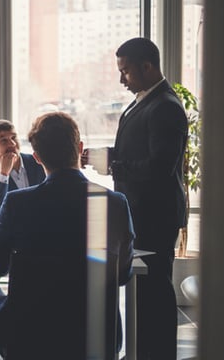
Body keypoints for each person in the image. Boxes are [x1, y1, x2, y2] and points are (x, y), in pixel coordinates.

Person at [0, 112, 135, 355]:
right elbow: (123, 274)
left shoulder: (17, 203)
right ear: (80, 147)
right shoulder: (114, 203)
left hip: (31, 332)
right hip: (96, 332)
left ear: (37, 157)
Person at [86, 37, 187, 359]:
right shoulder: (145, 102)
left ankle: (159, 353)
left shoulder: (167, 107)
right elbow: (137, 151)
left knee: (156, 290)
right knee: (144, 292)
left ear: (148, 66)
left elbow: (160, 167)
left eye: (125, 71)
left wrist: (114, 165)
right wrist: (98, 156)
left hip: (155, 216)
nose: (121, 80)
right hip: (141, 211)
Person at [0, 120, 46, 300]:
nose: (12, 144)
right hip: (10, 240)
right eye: (4, 140)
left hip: (41, 237)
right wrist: (3, 174)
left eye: (14, 138)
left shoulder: (38, 163)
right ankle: (3, 304)